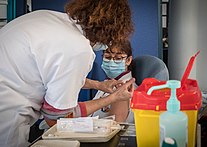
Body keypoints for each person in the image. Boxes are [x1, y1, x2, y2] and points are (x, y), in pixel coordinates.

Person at [0, 0, 134, 146]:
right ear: (111, 30)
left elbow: (50, 74)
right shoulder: (77, 49)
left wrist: (99, 85)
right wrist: (112, 98)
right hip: (7, 114)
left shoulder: (46, 17)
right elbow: (58, 120)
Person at [91, 41, 138, 123]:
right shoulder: (106, 84)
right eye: (107, 57)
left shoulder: (125, 90)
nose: (111, 62)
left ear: (128, 60)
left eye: (118, 58)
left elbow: (114, 127)